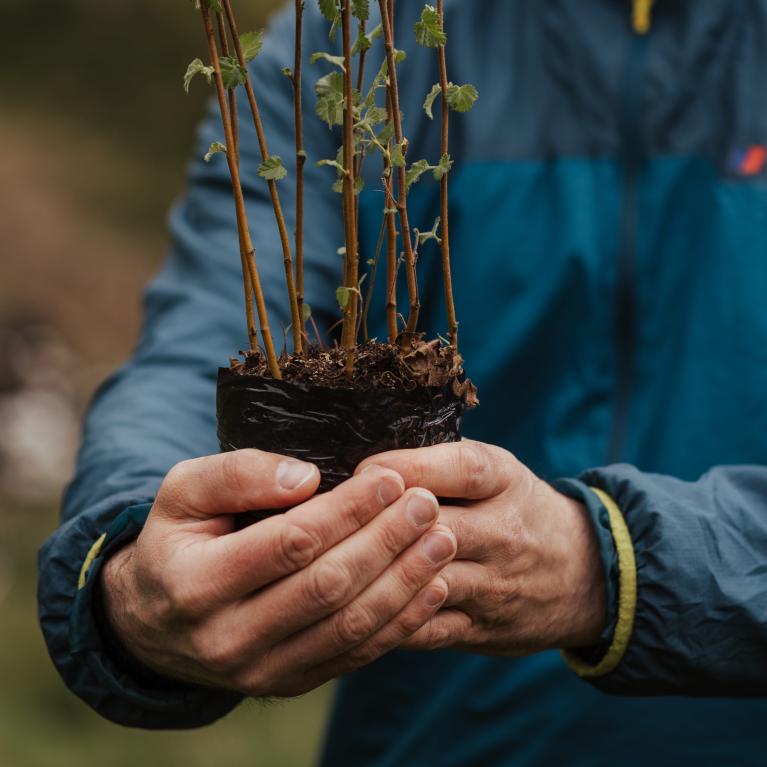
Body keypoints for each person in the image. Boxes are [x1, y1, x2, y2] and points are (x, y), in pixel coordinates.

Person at [39, 1, 767, 764]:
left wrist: (607, 562)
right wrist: (125, 562)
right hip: (433, 738)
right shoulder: (356, 28)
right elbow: (206, 345)